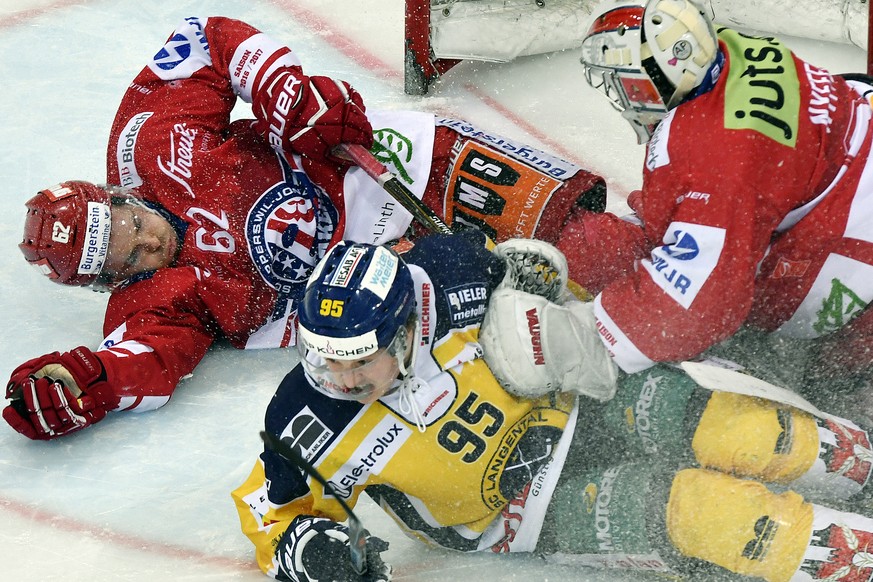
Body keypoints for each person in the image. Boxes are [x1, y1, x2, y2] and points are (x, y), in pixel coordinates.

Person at [2, 15, 606, 441]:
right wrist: (90, 382)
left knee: (585, 242)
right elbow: (143, 363)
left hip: (389, 167)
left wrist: (285, 93)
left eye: (131, 223)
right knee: (541, 334)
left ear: (116, 195)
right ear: (110, 284)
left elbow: (206, 39)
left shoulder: (148, 140)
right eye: (131, 259)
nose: (150, 242)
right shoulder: (152, 306)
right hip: (389, 295)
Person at [232, 232, 873, 582]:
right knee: (704, 510)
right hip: (522, 513)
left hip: (584, 403)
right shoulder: (302, 420)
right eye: (321, 357)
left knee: (754, 434)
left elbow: (552, 294)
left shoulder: (451, 272)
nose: (338, 378)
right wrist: (305, 548)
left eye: (357, 358)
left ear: (405, 330)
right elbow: (271, 508)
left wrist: (548, 291)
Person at [513, 0, 873, 415]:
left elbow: (703, 304)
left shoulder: (718, 151)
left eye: (631, 84)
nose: (625, 98)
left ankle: (850, 387)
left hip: (856, 245)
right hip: (854, 146)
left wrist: (588, 337)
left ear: (668, 70)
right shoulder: (727, 52)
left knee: (833, 399)